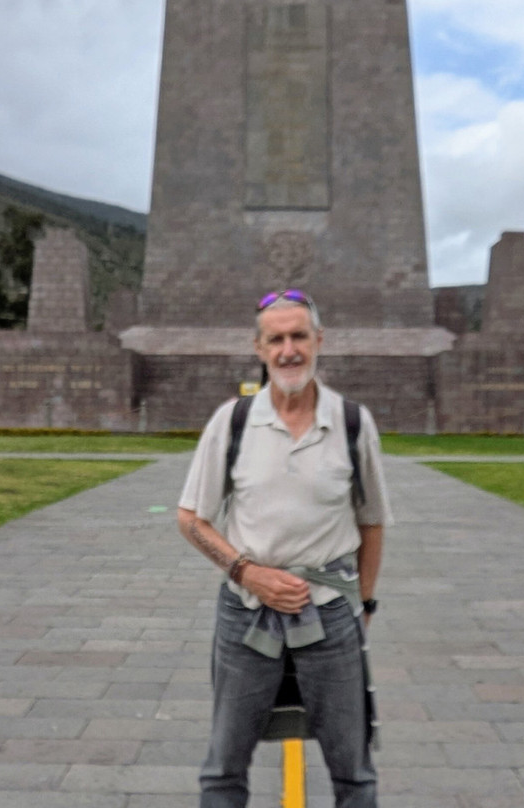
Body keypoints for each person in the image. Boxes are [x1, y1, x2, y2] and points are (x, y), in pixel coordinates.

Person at [177, 289, 392, 808]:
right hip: (246, 616)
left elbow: (373, 522)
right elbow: (191, 518)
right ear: (259, 347)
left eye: (299, 336)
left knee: (354, 771)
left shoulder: (353, 423)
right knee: (223, 768)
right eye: (276, 339)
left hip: (330, 612)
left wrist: (362, 604)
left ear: (320, 341)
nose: (288, 349)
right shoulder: (231, 422)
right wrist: (248, 572)